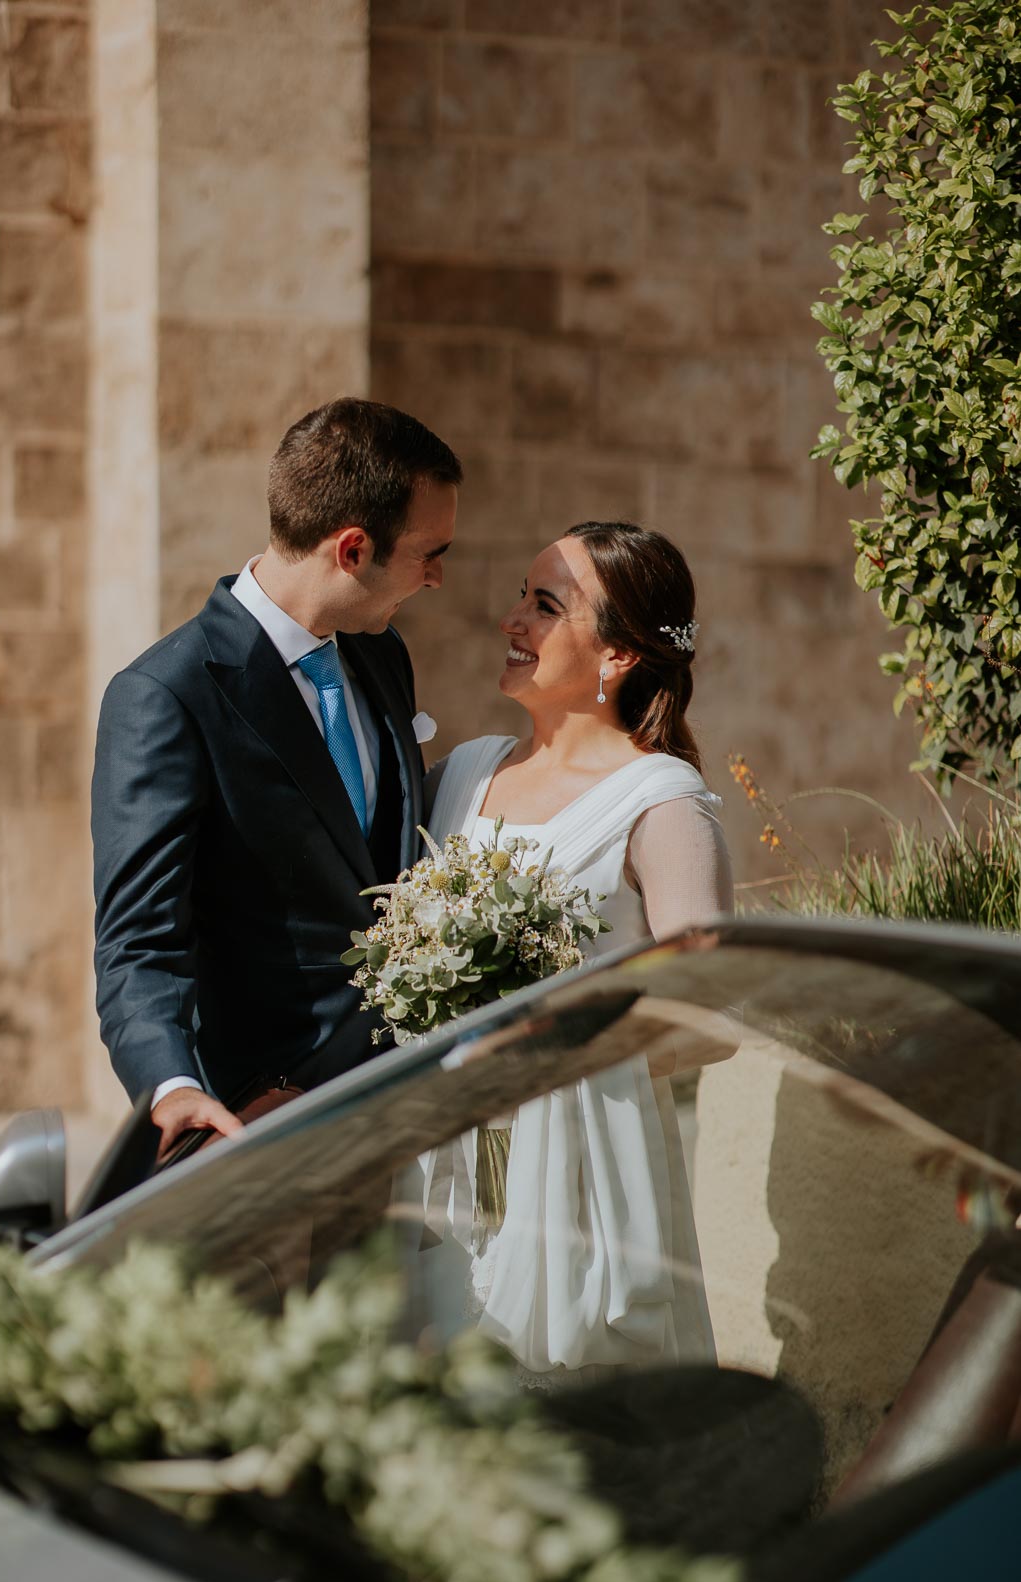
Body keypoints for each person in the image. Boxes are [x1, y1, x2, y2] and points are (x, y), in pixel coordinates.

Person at [92, 399, 461, 1160]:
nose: (436, 577)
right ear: (353, 549)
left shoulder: (381, 654)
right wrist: (174, 1087)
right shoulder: (168, 694)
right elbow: (138, 942)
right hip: (264, 1126)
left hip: (401, 1115)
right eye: (430, 552)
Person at [419, 521, 734, 1376]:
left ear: (619, 655)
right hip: (436, 1174)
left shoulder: (660, 800)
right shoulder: (461, 773)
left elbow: (706, 1020)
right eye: (522, 597)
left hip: (579, 1186)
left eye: (545, 605)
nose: (511, 619)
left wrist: (555, 1058)